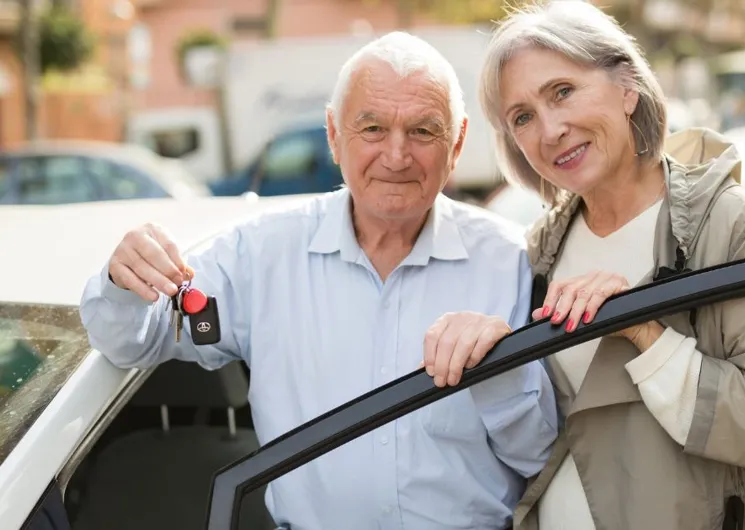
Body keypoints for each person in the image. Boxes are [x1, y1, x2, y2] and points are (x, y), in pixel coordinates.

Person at [79, 32, 558, 530]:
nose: (396, 156)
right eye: (372, 128)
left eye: (422, 131)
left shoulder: (513, 261)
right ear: (333, 135)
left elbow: (540, 457)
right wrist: (123, 279)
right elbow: (133, 341)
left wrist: (502, 371)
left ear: (456, 144)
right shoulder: (260, 255)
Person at [422, 2, 745, 529]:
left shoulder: (732, 227)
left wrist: (643, 331)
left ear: (627, 86)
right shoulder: (541, 247)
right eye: (523, 117)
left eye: (562, 92)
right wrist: (501, 357)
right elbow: (547, 436)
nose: (550, 129)